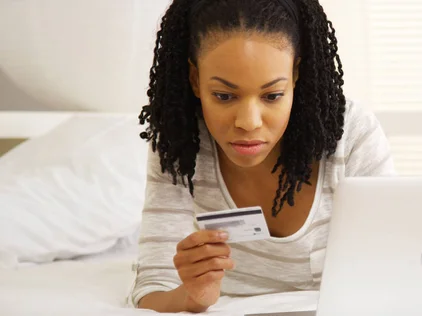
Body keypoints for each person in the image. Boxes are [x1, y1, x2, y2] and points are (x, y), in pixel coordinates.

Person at [127, 0, 395, 313]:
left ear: (295, 74)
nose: (249, 121)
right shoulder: (181, 142)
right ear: (195, 79)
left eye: (272, 96)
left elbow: (395, 262)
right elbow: (152, 288)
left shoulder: (351, 133)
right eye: (224, 96)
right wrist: (192, 296)